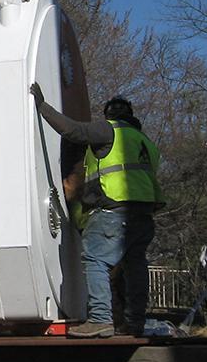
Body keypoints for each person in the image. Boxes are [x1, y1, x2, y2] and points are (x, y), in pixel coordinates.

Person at [30, 84, 164, 338]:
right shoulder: (146, 142)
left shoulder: (109, 130)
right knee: (135, 266)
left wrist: (42, 107)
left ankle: (100, 319)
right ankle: (135, 322)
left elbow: (74, 131)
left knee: (95, 259)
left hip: (114, 211)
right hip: (143, 215)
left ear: (109, 115)